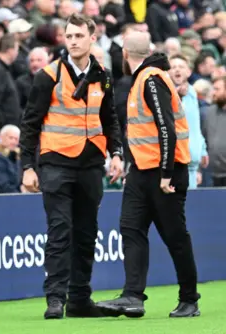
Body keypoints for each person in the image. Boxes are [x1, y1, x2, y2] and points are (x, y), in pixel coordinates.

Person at [18, 13, 124, 320]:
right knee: (60, 231)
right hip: (56, 163)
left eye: (79, 35)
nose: (74, 41)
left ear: (93, 39)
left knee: (87, 233)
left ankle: (79, 299)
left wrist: (116, 153)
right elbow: (30, 124)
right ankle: (55, 297)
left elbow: (110, 120)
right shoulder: (49, 75)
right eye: (69, 36)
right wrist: (27, 166)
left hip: (91, 164)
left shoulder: (103, 75)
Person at [95, 31, 201, 318]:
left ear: (126, 54)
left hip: (164, 172)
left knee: (175, 236)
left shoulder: (151, 78)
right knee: (131, 229)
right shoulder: (146, 77)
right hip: (142, 172)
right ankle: (132, 296)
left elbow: (166, 127)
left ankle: (189, 299)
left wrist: (166, 172)